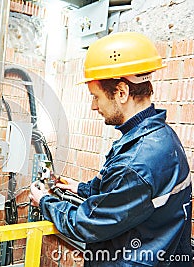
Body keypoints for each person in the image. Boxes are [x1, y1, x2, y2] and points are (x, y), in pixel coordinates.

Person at [30, 32, 192, 266]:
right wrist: (82, 189)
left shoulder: (137, 161)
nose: (93, 106)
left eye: (96, 96)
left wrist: (45, 201)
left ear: (122, 92)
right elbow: (128, 196)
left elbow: (88, 224)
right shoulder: (160, 138)